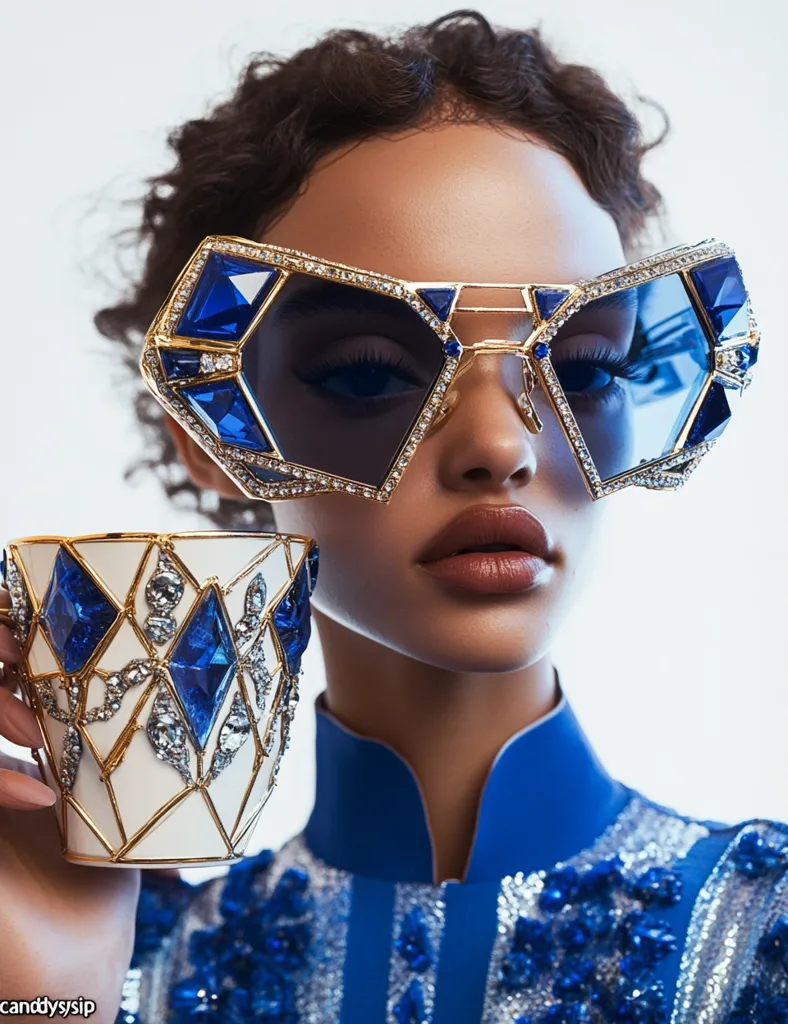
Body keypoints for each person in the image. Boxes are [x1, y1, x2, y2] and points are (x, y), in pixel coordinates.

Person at [0, 10, 785, 1024]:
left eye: (583, 369)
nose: (501, 446)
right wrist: (50, 1001)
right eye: (370, 372)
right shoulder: (124, 965)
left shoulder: (763, 932)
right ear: (209, 427)